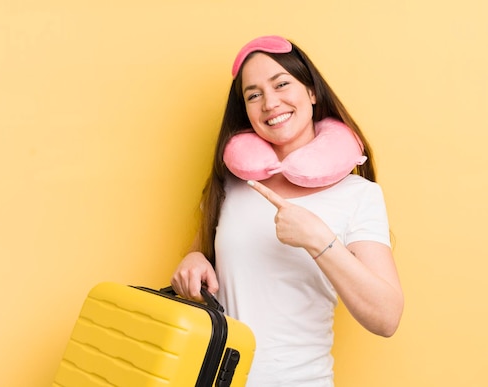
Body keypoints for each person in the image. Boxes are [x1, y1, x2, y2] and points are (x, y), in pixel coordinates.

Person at [171, 35, 404, 387]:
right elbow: (203, 254)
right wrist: (192, 259)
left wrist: (319, 240)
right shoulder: (230, 185)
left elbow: (386, 317)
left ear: (311, 92)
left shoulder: (358, 195)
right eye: (254, 94)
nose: (270, 103)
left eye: (281, 84)